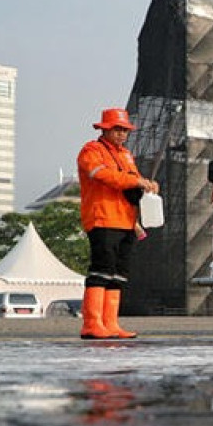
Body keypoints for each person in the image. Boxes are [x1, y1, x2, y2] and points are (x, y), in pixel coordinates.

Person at [77, 108, 158, 340]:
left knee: (118, 275)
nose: (122, 134)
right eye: (117, 129)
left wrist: (148, 185)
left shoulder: (126, 155)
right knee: (101, 271)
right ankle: (92, 324)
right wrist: (136, 181)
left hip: (126, 221)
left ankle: (111, 324)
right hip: (102, 217)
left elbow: (133, 183)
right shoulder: (91, 150)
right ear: (105, 129)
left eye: (125, 130)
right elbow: (104, 175)